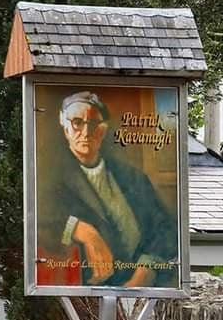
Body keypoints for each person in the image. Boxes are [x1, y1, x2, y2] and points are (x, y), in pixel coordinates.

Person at [38, 91, 177, 288]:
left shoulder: (132, 177)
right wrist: (81, 229)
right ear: (65, 126)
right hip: (86, 293)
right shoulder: (49, 175)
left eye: (93, 123)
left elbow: (166, 229)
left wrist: (146, 270)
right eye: (77, 122)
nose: (86, 133)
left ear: (103, 129)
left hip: (141, 290)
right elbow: (36, 217)